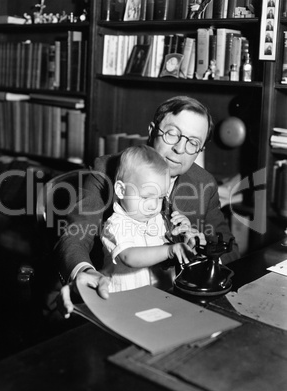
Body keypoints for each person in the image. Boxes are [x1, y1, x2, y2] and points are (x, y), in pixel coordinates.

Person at [55, 95, 240, 318]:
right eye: (172, 134)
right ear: (152, 130)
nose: (180, 149)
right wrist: (84, 271)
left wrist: (200, 246)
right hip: (111, 299)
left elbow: (229, 248)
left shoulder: (204, 183)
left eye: (193, 142)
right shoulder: (104, 171)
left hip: (174, 302)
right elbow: (76, 235)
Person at [100, 144, 200, 293]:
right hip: (126, 303)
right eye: (146, 196)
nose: (153, 205)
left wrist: (184, 241)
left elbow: (171, 257)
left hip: (163, 295)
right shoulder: (115, 224)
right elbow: (129, 256)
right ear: (121, 190)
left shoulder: (160, 220)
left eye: (160, 197)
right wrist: (169, 250)